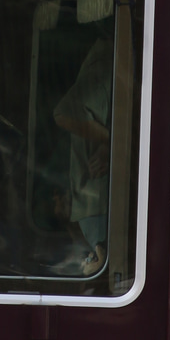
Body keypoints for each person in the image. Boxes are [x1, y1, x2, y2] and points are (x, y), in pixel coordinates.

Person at [53, 29, 114, 276]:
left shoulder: (104, 65)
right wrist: (114, 144)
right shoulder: (105, 67)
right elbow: (65, 113)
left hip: (97, 205)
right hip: (97, 205)